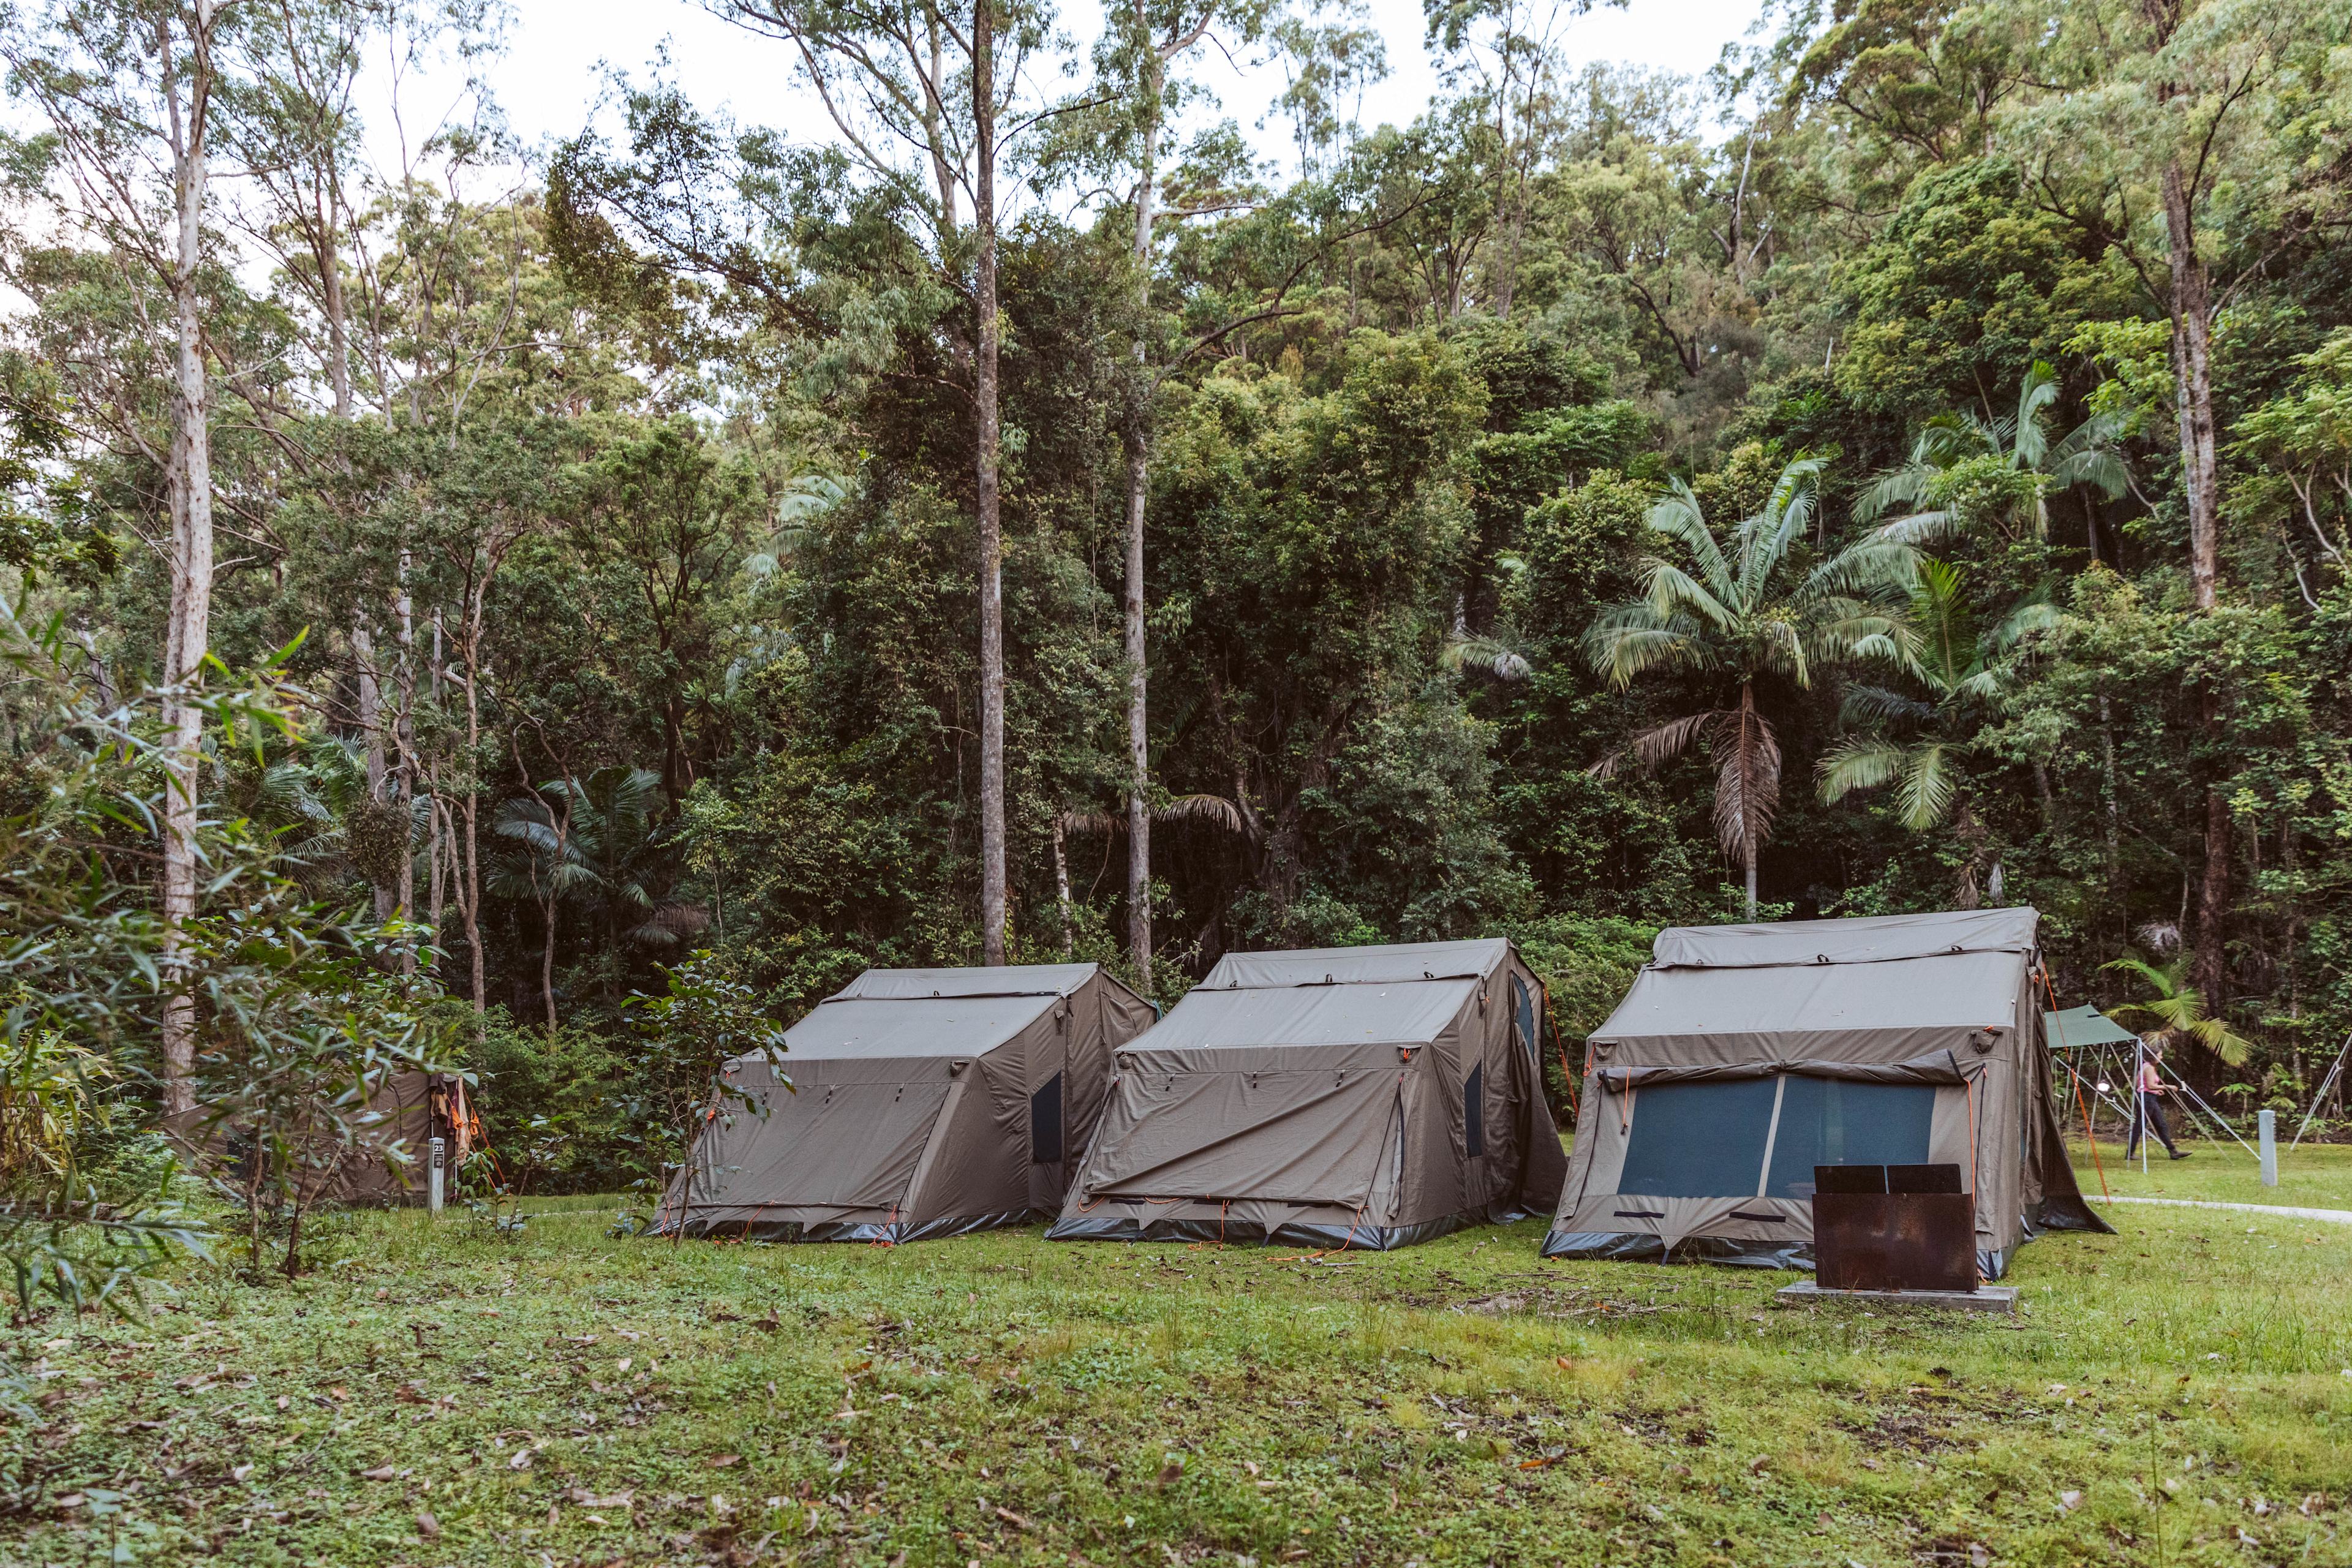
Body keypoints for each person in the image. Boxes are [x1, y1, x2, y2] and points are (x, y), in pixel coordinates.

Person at [2126, 1038, 2190, 1160]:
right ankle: (2130, 1153)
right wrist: (2168, 1087)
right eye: (2160, 1055)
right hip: (2147, 1099)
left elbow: (2142, 1084)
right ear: (2153, 1056)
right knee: (2140, 1125)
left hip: (2149, 1097)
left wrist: (2156, 1091)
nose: (2161, 1058)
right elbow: (2150, 1085)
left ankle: (2173, 1151)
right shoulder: (2149, 1068)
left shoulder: (2145, 1066)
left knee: (2161, 1124)